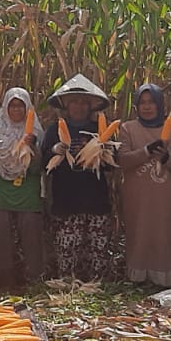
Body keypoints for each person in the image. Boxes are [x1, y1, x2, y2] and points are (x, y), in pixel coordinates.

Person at [42, 74, 119, 283]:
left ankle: (96, 287)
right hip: (67, 201)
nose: (78, 106)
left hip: (96, 201)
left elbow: (113, 165)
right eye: (74, 101)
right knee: (67, 251)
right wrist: (56, 150)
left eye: (83, 102)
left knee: (98, 252)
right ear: (66, 105)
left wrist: (103, 153)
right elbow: (44, 163)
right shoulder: (53, 130)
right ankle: (68, 286)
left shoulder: (99, 129)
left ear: (90, 105)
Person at [115, 84, 171, 288]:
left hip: (165, 197)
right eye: (142, 103)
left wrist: (167, 159)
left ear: (159, 104)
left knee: (164, 234)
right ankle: (138, 278)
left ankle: (165, 278)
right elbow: (122, 160)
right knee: (139, 233)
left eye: (151, 102)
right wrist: (147, 151)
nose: (147, 107)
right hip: (138, 197)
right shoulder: (128, 128)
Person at [0, 88, 43, 291]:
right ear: (6, 106)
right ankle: (4, 283)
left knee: (32, 238)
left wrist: (32, 147)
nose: (16, 109)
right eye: (12, 105)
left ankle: (34, 282)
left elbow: (38, 168)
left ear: (27, 108)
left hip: (27, 192)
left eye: (20, 105)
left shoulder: (35, 130)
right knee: (0, 240)